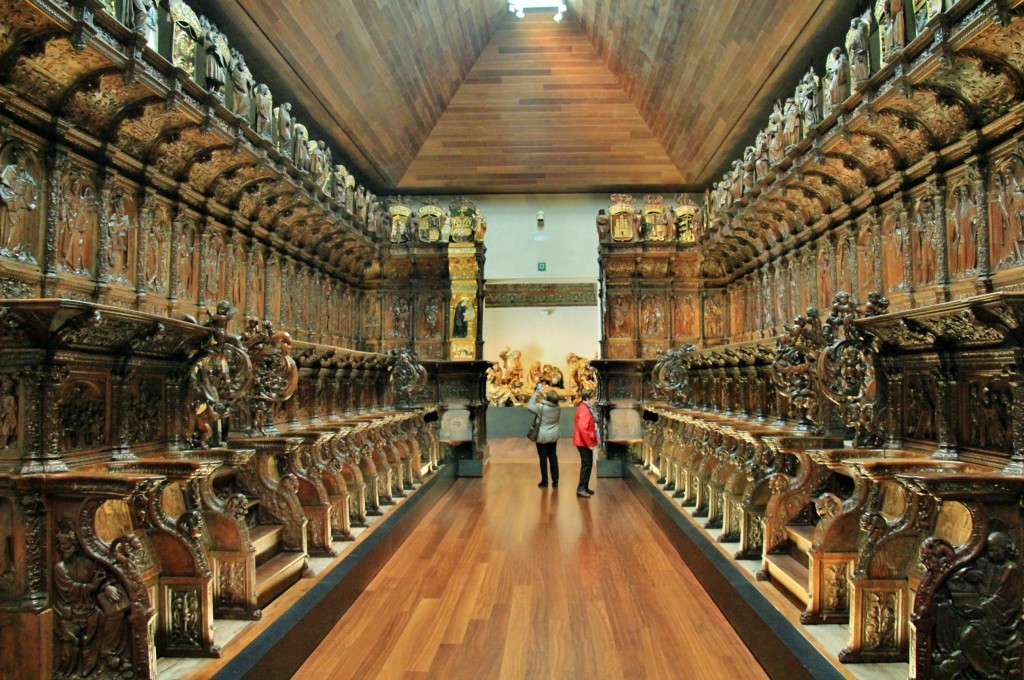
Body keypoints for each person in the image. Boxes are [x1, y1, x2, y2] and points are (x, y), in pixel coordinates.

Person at [527, 384, 561, 488]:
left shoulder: (541, 408)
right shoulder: (558, 407)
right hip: (553, 436)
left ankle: (544, 481)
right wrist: (544, 395)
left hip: (542, 436)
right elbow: (550, 400)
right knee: (553, 457)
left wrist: (535, 395)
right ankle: (555, 481)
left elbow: (529, 406)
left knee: (543, 458)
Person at [574, 387, 598, 497]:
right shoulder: (584, 409)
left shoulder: (584, 407)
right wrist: (589, 443)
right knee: (587, 464)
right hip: (584, 442)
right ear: (588, 398)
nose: (595, 400)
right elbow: (583, 428)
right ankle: (581, 488)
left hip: (583, 441)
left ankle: (584, 487)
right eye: (593, 398)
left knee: (587, 464)